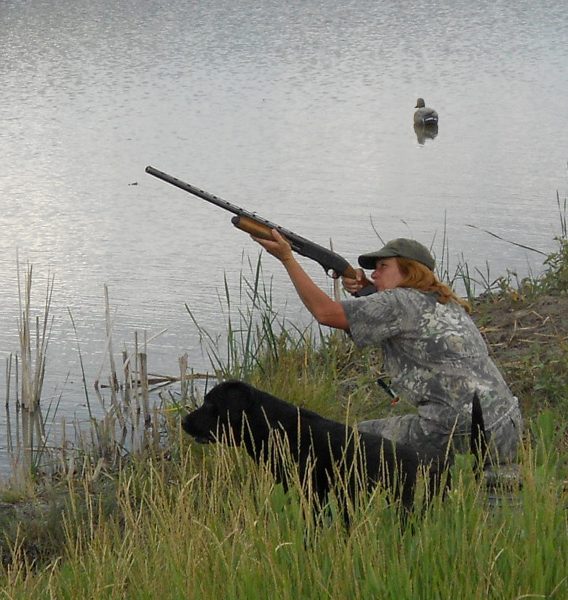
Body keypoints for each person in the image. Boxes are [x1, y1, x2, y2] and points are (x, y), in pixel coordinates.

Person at [252, 231, 523, 464]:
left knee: (347, 444)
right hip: (505, 423)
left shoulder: (398, 302)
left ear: (409, 270)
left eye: (383, 266)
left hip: (456, 428)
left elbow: (325, 313)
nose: (373, 273)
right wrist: (366, 292)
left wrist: (288, 259)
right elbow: (400, 321)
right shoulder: (443, 301)